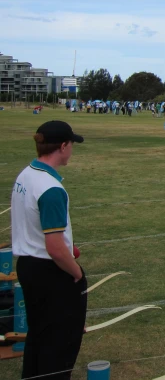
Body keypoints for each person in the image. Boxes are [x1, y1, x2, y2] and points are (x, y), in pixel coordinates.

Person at [11, 121, 86, 380]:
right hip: (50, 273)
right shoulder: (51, 188)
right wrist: (76, 273)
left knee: (39, 337)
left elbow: (34, 224)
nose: (71, 150)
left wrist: (67, 245)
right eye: (71, 145)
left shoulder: (26, 174)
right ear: (62, 146)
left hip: (28, 266)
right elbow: (54, 249)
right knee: (59, 345)